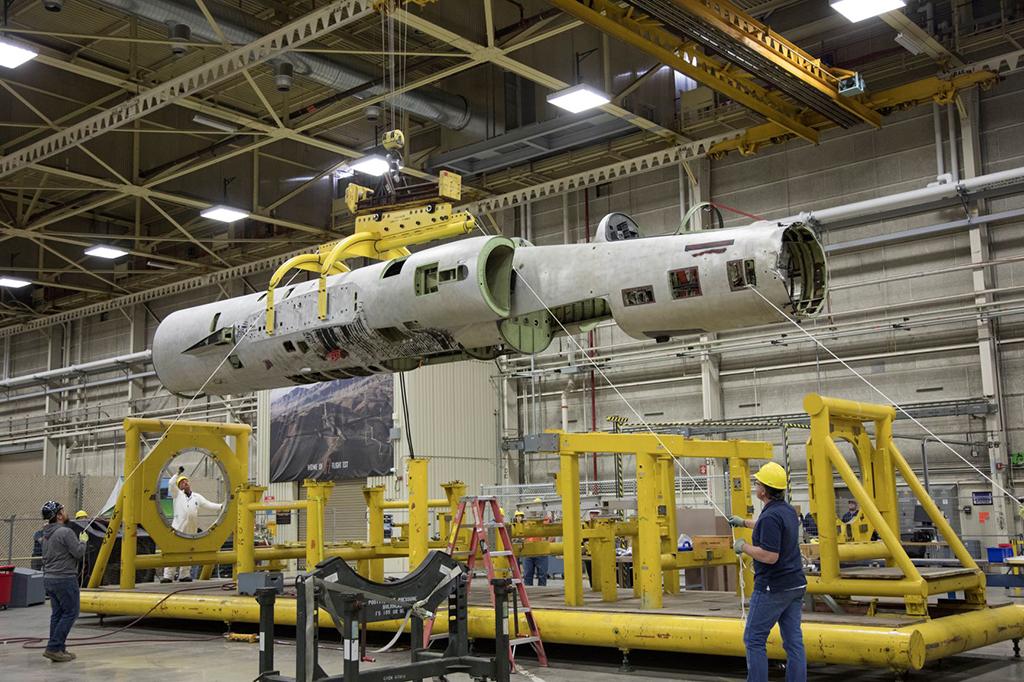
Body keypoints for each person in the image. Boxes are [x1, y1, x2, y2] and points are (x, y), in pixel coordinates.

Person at [730, 462, 806, 682]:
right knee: (793, 642)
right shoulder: (787, 511)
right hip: (795, 585)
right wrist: (743, 522)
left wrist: (743, 547)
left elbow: (770, 556)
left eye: (757, 482)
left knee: (754, 638)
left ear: (764, 490)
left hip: (774, 587)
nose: (755, 485)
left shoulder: (771, 516)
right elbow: (769, 526)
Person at [39, 500, 86, 663]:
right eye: (63, 511)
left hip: (49, 579)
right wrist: (84, 542)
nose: (66, 513)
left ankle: (59, 648)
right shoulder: (65, 533)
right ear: (58, 515)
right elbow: (78, 553)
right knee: (71, 613)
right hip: (64, 578)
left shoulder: (45, 534)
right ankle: (53, 648)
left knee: (57, 614)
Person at [162, 469, 223, 583]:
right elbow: (171, 483)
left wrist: (222, 506)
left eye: (186, 481)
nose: (185, 483)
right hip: (178, 528)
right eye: (182, 482)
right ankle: (168, 575)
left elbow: (208, 505)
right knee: (174, 551)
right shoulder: (177, 495)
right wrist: (178, 473)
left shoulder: (196, 497)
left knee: (188, 551)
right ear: (179, 486)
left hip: (191, 529)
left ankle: (184, 574)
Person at [520, 510, 551, 587]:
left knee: (542, 575)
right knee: (527, 574)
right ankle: (527, 594)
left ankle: (542, 593)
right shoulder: (527, 521)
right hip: (528, 551)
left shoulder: (545, 520)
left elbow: (552, 532)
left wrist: (547, 542)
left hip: (541, 551)